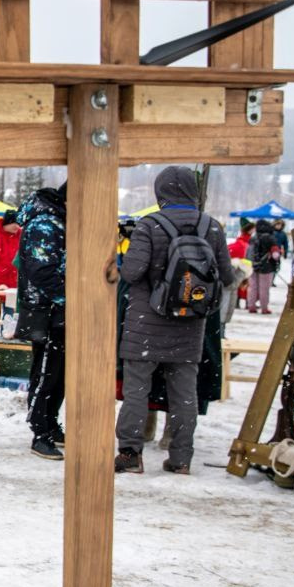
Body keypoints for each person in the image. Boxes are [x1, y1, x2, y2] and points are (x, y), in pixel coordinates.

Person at [114, 166, 234, 475]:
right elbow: (228, 277)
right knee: (184, 393)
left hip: (146, 323)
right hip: (190, 323)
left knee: (137, 390)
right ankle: (181, 457)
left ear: (161, 191)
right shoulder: (213, 227)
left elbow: (131, 273)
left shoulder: (149, 225)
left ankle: (131, 453)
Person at [15, 183, 68, 460]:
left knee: (59, 373)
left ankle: (50, 423)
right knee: (47, 372)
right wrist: (70, 296)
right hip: (46, 312)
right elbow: (41, 270)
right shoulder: (46, 224)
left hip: (59, 310)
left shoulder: (58, 220)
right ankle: (40, 430)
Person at [247, 219, 279, 315]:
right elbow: (275, 255)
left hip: (253, 265)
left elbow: (248, 252)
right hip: (266, 266)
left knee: (253, 287)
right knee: (264, 289)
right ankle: (264, 308)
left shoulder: (253, 237)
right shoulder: (270, 238)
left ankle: (251, 306)